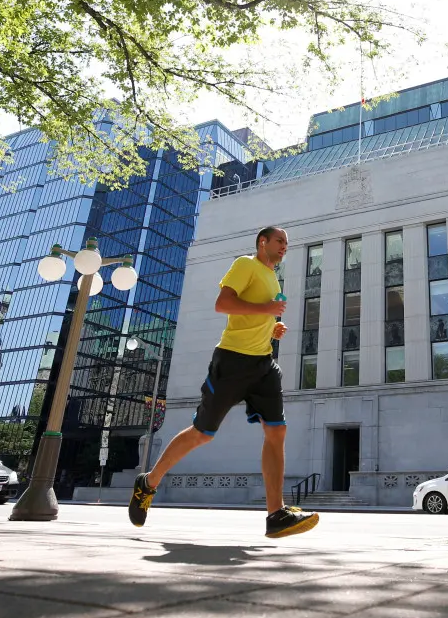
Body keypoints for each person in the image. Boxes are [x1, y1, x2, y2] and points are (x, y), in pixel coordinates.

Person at [128, 226, 318, 539]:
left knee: (276, 430)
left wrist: (271, 327)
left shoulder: (272, 277)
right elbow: (224, 304)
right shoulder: (246, 265)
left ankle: (276, 514)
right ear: (263, 242)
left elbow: (251, 318)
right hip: (231, 361)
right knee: (202, 433)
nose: (285, 246)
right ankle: (148, 482)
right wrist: (266, 310)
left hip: (264, 364)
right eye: (280, 241)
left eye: (287, 242)